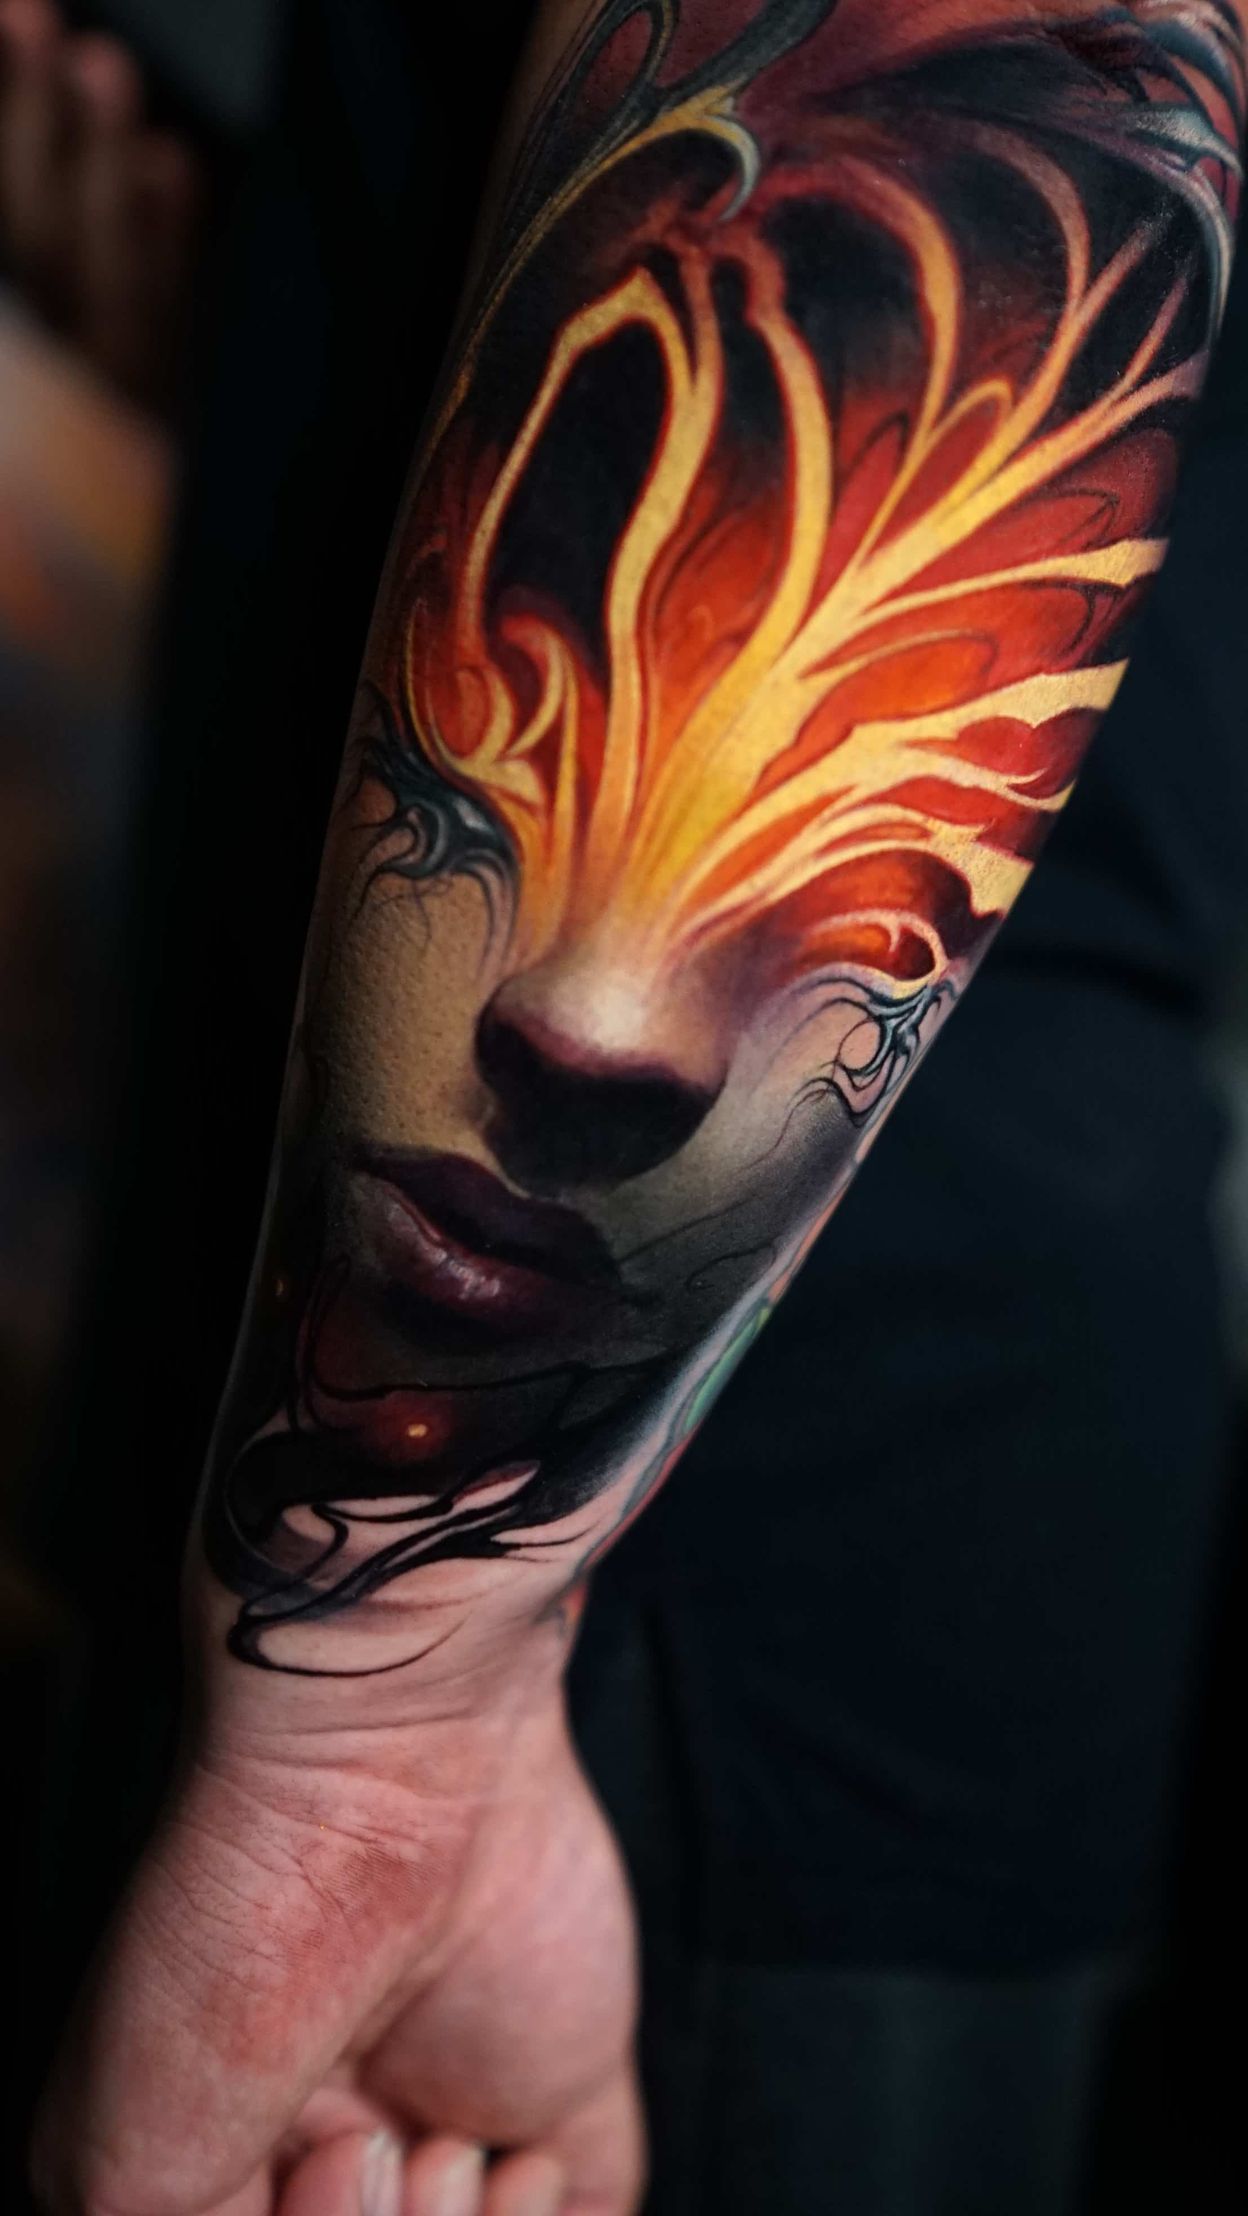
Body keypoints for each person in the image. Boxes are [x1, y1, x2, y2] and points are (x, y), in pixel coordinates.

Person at [26, 1, 1248, 2211]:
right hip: (604, 1561)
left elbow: (1010, 69)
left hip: (656, 1582)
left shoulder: (422, 1650)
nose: (605, 1025)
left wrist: (382, 1694)